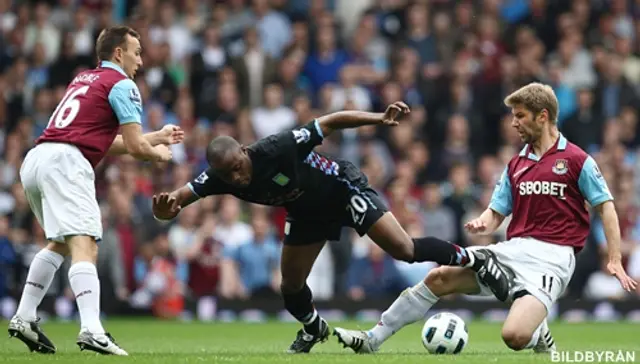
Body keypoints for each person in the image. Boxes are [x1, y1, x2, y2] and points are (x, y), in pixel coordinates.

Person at [152, 101, 512, 353]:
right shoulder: (219, 178)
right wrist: (166, 211)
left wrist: (379, 117)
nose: (237, 177)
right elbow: (177, 200)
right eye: (228, 174)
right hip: (307, 212)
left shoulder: (275, 147)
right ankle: (314, 329)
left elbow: (330, 120)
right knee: (290, 285)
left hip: (341, 188)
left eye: (238, 167)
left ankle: (476, 259)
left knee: (404, 250)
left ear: (244, 151)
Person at [333, 83, 638, 354]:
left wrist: (614, 258)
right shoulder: (516, 164)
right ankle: (372, 338)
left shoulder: (576, 159)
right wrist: (484, 222)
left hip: (553, 258)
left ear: (542, 116)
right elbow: (496, 213)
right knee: (438, 277)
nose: (513, 123)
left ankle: (539, 333)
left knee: (515, 337)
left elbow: (606, 206)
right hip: (513, 248)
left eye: (520, 116)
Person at [9, 26, 184, 356]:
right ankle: (92, 328)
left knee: (60, 242)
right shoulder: (123, 85)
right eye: (137, 52)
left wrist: (157, 137)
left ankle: (24, 316)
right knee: (85, 245)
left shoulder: (85, 79)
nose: (141, 61)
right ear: (119, 53)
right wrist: (156, 154)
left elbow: (98, 141)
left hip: (38, 159)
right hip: (65, 163)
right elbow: (133, 145)